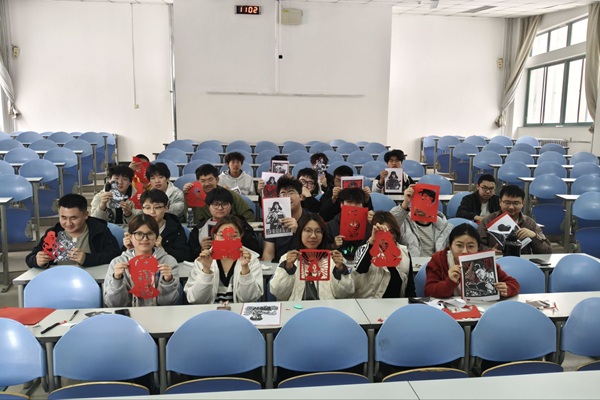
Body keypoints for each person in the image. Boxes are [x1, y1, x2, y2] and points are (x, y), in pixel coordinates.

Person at [270, 213, 354, 301]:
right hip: (297, 308)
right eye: (308, 231)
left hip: (326, 308)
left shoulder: (334, 259)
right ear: (300, 233)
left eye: (318, 231)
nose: (313, 236)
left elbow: (345, 294)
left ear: (323, 234)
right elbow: (278, 293)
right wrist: (288, 268)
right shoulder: (288, 259)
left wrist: (340, 269)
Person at [424, 223, 520, 298]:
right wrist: (449, 282)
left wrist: (507, 289)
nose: (465, 251)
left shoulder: (485, 261)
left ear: (478, 247)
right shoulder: (439, 260)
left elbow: (513, 283)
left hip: (481, 308)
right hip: (448, 311)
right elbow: (428, 291)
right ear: (450, 245)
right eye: (459, 245)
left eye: (470, 246)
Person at [26, 194, 121, 268]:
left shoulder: (99, 231)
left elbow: (114, 255)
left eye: (73, 218)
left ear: (86, 215)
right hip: (58, 280)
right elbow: (30, 257)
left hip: (91, 280)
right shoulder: (53, 233)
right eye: (63, 217)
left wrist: (87, 259)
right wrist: (36, 261)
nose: (68, 223)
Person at [104, 214, 180, 307]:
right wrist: (117, 279)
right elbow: (114, 304)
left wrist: (167, 281)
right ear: (130, 237)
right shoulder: (117, 263)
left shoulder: (168, 262)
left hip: (160, 313)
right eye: (139, 234)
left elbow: (169, 303)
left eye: (150, 234)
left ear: (157, 237)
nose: (145, 239)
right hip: (128, 313)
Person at [184, 215, 263, 304]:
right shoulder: (203, 260)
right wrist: (206, 270)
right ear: (215, 236)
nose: (228, 240)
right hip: (209, 310)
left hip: (240, 310)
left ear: (240, 237)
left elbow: (249, 299)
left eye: (234, 236)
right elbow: (196, 299)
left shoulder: (251, 260)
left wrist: (245, 269)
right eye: (222, 235)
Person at [352, 211, 415, 298]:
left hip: (397, 304)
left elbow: (410, 289)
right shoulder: (364, 250)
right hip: (368, 304)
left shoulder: (404, 253)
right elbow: (360, 269)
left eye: (391, 231)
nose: (388, 235)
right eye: (382, 232)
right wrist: (372, 242)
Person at [188, 186, 260, 259]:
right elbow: (190, 256)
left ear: (231, 206)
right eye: (215, 204)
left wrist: (237, 244)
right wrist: (201, 249)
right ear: (208, 207)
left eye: (224, 204)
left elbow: (255, 251)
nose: (220, 208)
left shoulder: (242, 225)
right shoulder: (199, 229)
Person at [478, 185, 552, 254]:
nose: (511, 207)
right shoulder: (487, 221)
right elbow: (478, 246)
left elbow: (547, 251)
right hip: (497, 260)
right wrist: (489, 251)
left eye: (516, 203)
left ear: (522, 203)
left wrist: (534, 236)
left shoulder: (529, 223)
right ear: (500, 202)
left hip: (522, 261)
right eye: (507, 203)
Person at [128, 189, 191, 262]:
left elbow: (184, 256)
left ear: (166, 207)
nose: (152, 212)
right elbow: (123, 259)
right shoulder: (136, 227)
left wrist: (162, 249)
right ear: (142, 209)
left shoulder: (175, 227)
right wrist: (129, 248)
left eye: (157, 207)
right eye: (147, 208)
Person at [390, 185, 452, 257]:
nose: (419, 205)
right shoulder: (404, 222)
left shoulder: (443, 226)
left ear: (432, 203)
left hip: (434, 263)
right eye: (416, 201)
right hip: (412, 263)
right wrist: (405, 202)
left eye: (423, 201)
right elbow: (390, 224)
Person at [183, 164, 254, 225]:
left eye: (210, 179)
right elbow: (192, 221)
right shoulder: (194, 197)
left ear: (217, 180)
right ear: (197, 182)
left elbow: (248, 215)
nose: (207, 184)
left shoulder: (230, 194)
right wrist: (187, 195)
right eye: (203, 181)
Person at [261, 177, 311, 262]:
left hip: (304, 264)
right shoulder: (274, 219)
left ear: (301, 197)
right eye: (283, 193)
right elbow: (268, 253)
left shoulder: (311, 220)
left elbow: (314, 252)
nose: (287, 197)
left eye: (291, 192)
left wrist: (298, 231)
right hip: (279, 265)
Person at [327, 188, 372, 269]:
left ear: (363, 205)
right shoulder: (331, 225)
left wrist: (374, 223)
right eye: (349, 202)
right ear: (341, 204)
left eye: (357, 203)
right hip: (338, 265)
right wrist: (334, 245)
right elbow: (323, 248)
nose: (353, 206)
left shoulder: (370, 224)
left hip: (364, 266)